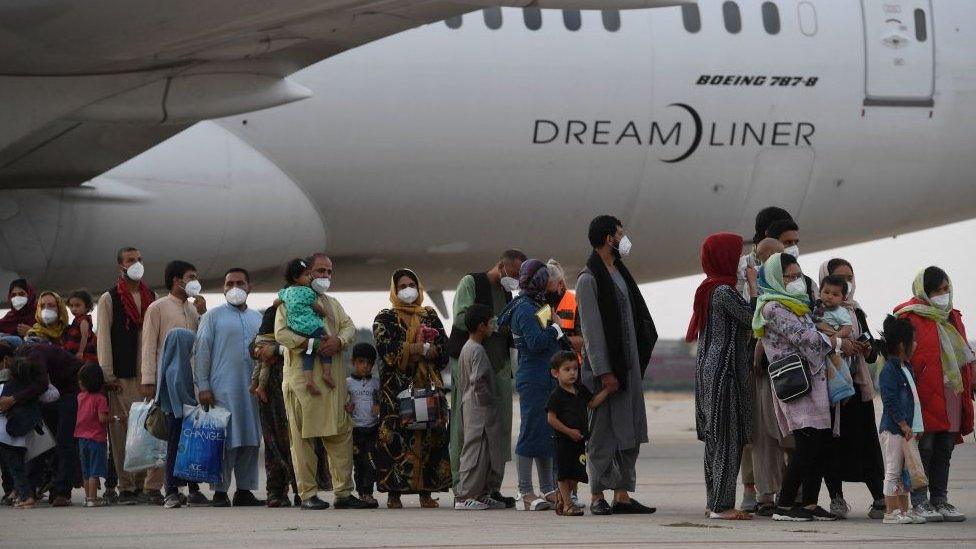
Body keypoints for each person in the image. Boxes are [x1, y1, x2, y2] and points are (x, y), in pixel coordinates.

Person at [576, 215, 657, 516]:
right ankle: (597, 495)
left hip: (628, 368)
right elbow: (592, 331)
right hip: (605, 373)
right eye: (620, 234)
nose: (624, 239)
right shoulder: (589, 279)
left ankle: (622, 495)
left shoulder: (619, 272)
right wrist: (605, 372)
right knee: (601, 437)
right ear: (608, 238)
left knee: (629, 432)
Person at [275, 253, 367, 510]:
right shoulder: (289, 302)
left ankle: (344, 494)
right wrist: (311, 344)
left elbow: (348, 327)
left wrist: (339, 341)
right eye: (319, 271)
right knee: (303, 442)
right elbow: (281, 333)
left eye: (329, 271)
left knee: (340, 438)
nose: (325, 276)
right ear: (305, 273)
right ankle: (307, 495)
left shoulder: (333, 304)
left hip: (332, 384)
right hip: (303, 385)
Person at [753, 252, 837, 522]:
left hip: (813, 381)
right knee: (807, 442)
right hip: (796, 382)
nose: (796, 281)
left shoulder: (797, 305)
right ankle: (785, 504)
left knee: (819, 442)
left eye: (798, 276)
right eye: (790, 276)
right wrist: (835, 342)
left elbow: (814, 335)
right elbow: (806, 338)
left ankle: (809, 503)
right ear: (776, 278)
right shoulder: (772, 308)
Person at [894, 266, 974, 522]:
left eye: (946, 289)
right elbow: (900, 361)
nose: (943, 294)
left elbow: (964, 357)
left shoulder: (953, 317)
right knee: (924, 449)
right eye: (937, 290)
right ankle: (920, 501)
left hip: (951, 393)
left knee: (945, 449)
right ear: (924, 292)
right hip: (923, 396)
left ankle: (941, 500)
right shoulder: (909, 317)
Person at [447, 249, 524, 508]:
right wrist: (493, 323)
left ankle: (490, 487)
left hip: (499, 364)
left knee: (500, 429)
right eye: (513, 274)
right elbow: (461, 319)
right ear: (501, 266)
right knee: (467, 427)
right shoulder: (471, 283)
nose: (514, 280)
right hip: (469, 362)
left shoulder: (506, 292)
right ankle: (463, 487)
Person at [687, 233, 755, 520]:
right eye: (738, 254)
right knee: (727, 438)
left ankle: (714, 501)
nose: (742, 261)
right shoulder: (724, 292)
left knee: (716, 440)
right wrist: (754, 284)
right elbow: (754, 318)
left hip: (709, 372)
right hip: (724, 373)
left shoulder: (709, 288)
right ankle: (722, 505)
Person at [372, 268, 451, 508]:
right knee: (396, 438)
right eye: (403, 285)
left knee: (430, 437)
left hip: (427, 388)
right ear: (395, 290)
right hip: (395, 393)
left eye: (412, 284)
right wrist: (414, 349)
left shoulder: (429, 315)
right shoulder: (384, 318)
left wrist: (431, 350)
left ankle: (426, 492)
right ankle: (393, 494)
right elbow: (387, 352)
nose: (408, 289)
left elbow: (444, 349)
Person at [818, 259, 886, 520]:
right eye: (839, 277)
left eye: (849, 277)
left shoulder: (856, 312)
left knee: (866, 445)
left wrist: (866, 348)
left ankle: (879, 499)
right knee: (832, 447)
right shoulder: (818, 311)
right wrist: (839, 344)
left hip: (857, 389)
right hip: (831, 390)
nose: (845, 282)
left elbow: (870, 351)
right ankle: (837, 499)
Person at [497, 259, 563, 511]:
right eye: (545, 277)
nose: (548, 281)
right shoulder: (524, 308)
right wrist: (556, 328)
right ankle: (525, 491)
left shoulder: (537, 304)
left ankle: (547, 488)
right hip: (533, 378)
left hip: (545, 376)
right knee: (530, 433)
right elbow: (536, 343)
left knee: (545, 434)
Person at [194, 268, 264, 507]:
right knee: (225, 441)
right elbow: (201, 352)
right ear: (223, 288)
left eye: (240, 283)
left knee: (251, 439)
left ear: (249, 287)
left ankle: (244, 490)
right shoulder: (212, 317)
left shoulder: (258, 318)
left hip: (252, 390)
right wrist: (203, 386)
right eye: (229, 283)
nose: (234, 287)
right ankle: (220, 492)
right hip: (222, 389)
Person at [137, 259, 204, 505]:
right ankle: (171, 490)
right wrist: (148, 380)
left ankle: (194, 490)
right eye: (191, 276)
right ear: (177, 280)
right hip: (169, 382)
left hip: (193, 383)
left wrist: (202, 313)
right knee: (175, 434)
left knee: (193, 435)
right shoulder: (158, 307)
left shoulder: (194, 309)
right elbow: (149, 346)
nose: (195, 282)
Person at [95, 246, 157, 505]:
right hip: (122, 375)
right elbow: (104, 340)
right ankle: (127, 485)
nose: (137, 264)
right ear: (121, 266)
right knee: (122, 434)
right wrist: (107, 374)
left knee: (147, 431)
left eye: (139, 259)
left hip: (147, 375)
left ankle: (145, 484)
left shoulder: (150, 295)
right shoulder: (109, 298)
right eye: (131, 260)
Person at [741, 237, 786, 514]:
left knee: (790, 438)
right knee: (763, 439)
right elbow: (755, 325)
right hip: (763, 374)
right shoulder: (746, 288)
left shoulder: (798, 287)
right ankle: (763, 493)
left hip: (788, 374)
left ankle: (794, 491)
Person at [13, 338, 83, 506]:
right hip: (54, 393)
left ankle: (62, 491)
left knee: (64, 440)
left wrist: (14, 399)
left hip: (70, 389)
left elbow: (42, 385)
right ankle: (33, 488)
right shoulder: (24, 360)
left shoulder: (35, 355)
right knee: (42, 440)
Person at [546, 350, 613, 517]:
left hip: (579, 441)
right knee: (564, 473)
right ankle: (568, 505)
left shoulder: (580, 389)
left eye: (575, 369)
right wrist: (569, 431)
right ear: (556, 373)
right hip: (563, 441)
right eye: (567, 369)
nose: (572, 373)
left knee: (575, 473)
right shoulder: (556, 396)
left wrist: (607, 390)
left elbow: (593, 403)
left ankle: (563, 498)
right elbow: (551, 419)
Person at [454, 304, 505, 511]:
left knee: (486, 452)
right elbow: (478, 381)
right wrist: (489, 403)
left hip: (474, 405)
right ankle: (465, 495)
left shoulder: (469, 347)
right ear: (482, 326)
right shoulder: (475, 349)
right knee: (475, 450)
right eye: (490, 322)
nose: (493, 325)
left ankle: (481, 493)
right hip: (479, 407)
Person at [876, 316, 926, 525]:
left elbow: (913, 401)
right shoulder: (890, 370)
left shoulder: (908, 368)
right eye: (913, 340)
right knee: (893, 470)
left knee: (904, 473)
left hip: (906, 430)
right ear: (901, 344)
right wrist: (904, 424)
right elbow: (890, 400)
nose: (916, 344)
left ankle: (904, 511)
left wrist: (916, 426)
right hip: (894, 429)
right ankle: (890, 511)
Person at [250, 307, 299, 507]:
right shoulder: (274, 313)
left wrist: (278, 349)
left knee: (299, 443)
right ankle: (276, 491)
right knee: (274, 445)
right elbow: (254, 347)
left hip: (298, 392)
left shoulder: (303, 315)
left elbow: (310, 346)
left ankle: (303, 490)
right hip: (271, 399)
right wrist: (263, 349)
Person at [155, 328, 206, 509]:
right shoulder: (178, 367)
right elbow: (180, 394)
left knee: (183, 453)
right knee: (177, 452)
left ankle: (191, 490)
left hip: (177, 414)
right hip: (179, 416)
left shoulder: (170, 363)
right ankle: (171, 492)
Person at [0, 355, 60, 509]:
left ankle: (26, 496)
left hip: (8, 436)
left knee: (16, 468)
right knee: (25, 467)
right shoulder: (33, 390)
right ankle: (25, 493)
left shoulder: (5, 388)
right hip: (27, 435)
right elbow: (54, 395)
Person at [279, 258, 332, 395]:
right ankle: (326, 373)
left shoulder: (286, 293)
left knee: (308, 354)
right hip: (313, 327)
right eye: (307, 274)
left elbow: (275, 302)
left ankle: (309, 381)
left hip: (297, 330)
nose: (310, 277)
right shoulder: (308, 292)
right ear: (296, 277)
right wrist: (324, 313)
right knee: (326, 346)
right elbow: (317, 308)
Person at [345, 342, 380, 508]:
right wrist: (347, 408)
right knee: (359, 463)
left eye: (369, 363)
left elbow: (381, 401)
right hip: (356, 430)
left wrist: (378, 405)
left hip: (372, 429)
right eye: (361, 362)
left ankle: (368, 492)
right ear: (353, 362)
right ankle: (361, 492)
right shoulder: (347, 383)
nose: (365, 366)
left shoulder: (376, 383)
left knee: (371, 462)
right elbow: (343, 404)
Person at [74, 363, 109, 507]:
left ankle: (87, 497)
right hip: (97, 439)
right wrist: (114, 418)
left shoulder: (80, 397)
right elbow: (102, 419)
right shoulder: (101, 399)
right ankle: (93, 499)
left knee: (86, 471)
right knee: (95, 471)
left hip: (82, 438)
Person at [814, 275, 854, 387]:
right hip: (825, 347)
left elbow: (847, 328)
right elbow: (815, 322)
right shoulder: (819, 308)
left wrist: (835, 336)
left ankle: (846, 387)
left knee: (841, 371)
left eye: (835, 294)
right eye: (826, 292)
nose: (830, 296)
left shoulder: (841, 311)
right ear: (820, 292)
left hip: (837, 347)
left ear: (843, 298)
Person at [63, 290, 98, 364]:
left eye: (77, 305)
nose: (74, 309)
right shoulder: (76, 320)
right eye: (71, 306)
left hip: (85, 354)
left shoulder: (83, 320)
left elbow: (84, 336)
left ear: (87, 307)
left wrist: (80, 352)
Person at [0, 279, 37, 345]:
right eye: (13, 295)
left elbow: (49, 337)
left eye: (21, 294)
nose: (17, 297)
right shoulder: (9, 317)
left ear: (30, 295)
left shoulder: (40, 315)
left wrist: (32, 332)